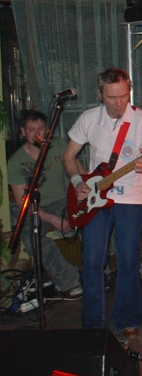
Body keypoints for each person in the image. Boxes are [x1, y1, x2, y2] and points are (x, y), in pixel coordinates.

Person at [63, 67, 142, 343]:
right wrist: (77, 181)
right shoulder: (88, 119)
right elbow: (69, 156)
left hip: (130, 199)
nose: (119, 103)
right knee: (91, 261)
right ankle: (94, 325)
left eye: (124, 96)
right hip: (95, 199)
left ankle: (128, 320)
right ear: (100, 95)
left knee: (129, 261)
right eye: (112, 97)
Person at [8, 109, 85, 301]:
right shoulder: (16, 162)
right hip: (35, 209)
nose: (37, 134)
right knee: (33, 240)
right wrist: (52, 219)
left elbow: (79, 171)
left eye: (41, 128)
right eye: (31, 129)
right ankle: (70, 282)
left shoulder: (59, 145)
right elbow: (23, 202)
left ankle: (100, 273)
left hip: (63, 201)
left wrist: (87, 192)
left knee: (94, 220)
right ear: (23, 132)